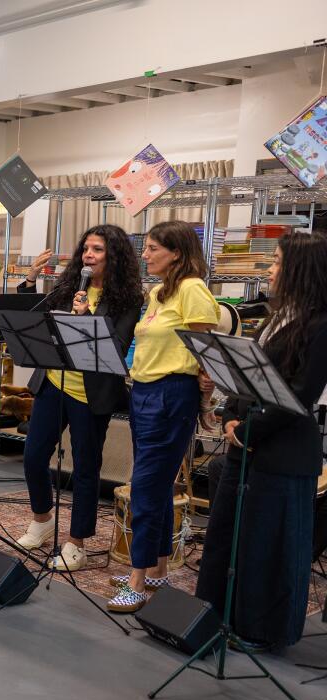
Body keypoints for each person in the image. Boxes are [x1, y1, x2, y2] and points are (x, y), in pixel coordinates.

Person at [195, 232, 327, 649]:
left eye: (275, 262)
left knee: (267, 545)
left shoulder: (322, 326)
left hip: (283, 450)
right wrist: (230, 415)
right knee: (225, 535)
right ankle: (213, 614)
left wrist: (247, 432)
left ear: (299, 271)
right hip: (246, 445)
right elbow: (244, 373)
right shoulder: (275, 317)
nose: (268, 270)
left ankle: (259, 629)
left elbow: (298, 395)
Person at [12, 226, 143, 571]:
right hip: (54, 382)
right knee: (33, 456)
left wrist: (86, 318)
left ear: (113, 256)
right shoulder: (69, 286)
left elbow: (117, 346)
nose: (88, 255)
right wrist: (29, 280)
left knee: (86, 468)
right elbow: (33, 318)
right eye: (86, 248)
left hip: (91, 393)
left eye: (97, 250)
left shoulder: (128, 299)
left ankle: (77, 543)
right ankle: (42, 520)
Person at [109, 221, 219, 613]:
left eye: (154, 248)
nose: (146, 254)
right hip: (143, 392)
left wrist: (206, 406)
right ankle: (156, 569)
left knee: (145, 486)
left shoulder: (193, 291)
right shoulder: (159, 292)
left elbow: (207, 356)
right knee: (152, 485)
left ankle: (137, 581)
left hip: (173, 393)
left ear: (176, 253)